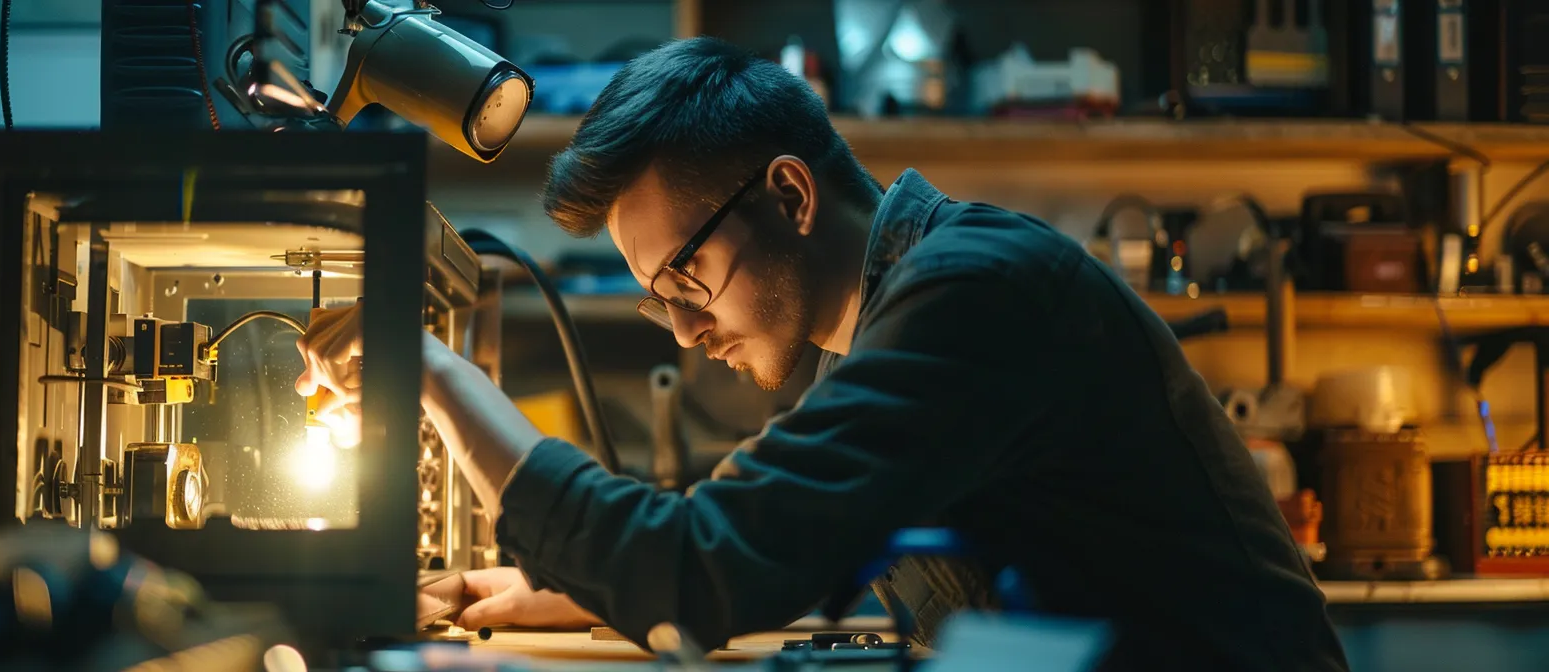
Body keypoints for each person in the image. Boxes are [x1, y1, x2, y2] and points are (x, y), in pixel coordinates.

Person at [295, 37, 1348, 671]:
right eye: (659, 302)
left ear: (790, 195)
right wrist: (571, 584)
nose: (687, 331)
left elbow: (706, 568)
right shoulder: (893, 320)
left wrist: (435, 371)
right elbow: (787, 542)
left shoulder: (971, 295)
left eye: (687, 282)